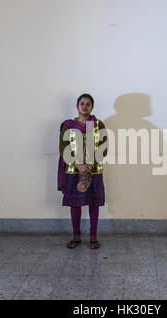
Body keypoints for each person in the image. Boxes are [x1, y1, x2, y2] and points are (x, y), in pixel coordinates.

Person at [57, 94, 108, 249]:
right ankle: (76, 236)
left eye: (88, 104)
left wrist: (90, 164)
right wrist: (78, 164)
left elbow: (104, 147)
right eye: (82, 103)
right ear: (77, 106)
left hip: (94, 170)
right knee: (75, 203)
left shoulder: (98, 125)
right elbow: (63, 148)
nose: (85, 106)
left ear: (92, 107)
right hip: (74, 170)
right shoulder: (69, 125)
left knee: (93, 203)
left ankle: (93, 237)